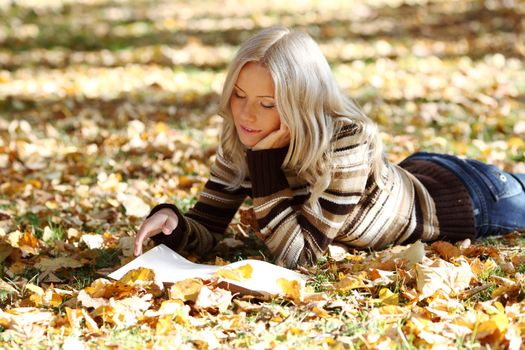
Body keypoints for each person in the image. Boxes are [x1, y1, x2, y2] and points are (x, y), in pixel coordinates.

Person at [133, 26, 525, 269]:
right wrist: (174, 222)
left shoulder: (346, 142)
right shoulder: (243, 136)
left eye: (268, 103)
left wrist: (265, 162)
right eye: (238, 96)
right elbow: (208, 225)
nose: (246, 115)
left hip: (470, 198)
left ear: (302, 103)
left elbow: (301, 257)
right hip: (415, 171)